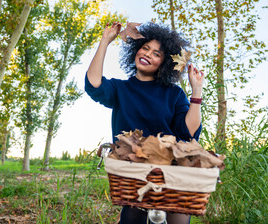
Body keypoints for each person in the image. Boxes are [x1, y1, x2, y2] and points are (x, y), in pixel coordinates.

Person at [85, 21, 204, 224]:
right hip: (133, 171)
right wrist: (105, 41)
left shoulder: (174, 94)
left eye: (156, 53)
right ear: (136, 51)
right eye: (145, 48)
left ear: (164, 63)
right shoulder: (120, 89)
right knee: (132, 215)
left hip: (170, 170)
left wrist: (197, 91)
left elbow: (188, 133)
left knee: (179, 215)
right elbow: (94, 85)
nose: (148, 54)